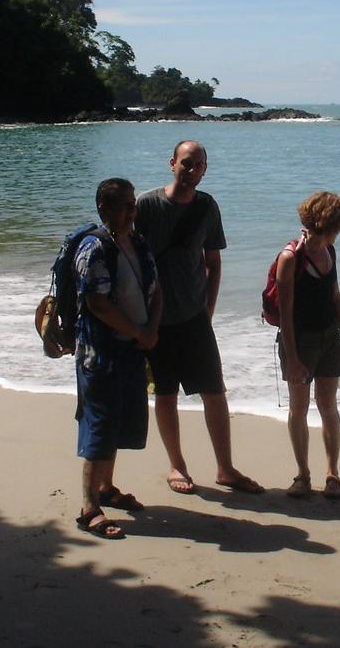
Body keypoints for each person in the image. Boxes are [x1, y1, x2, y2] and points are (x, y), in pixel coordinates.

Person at [135, 140, 263, 495]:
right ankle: (177, 466)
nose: (193, 171)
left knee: (214, 391)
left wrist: (208, 309)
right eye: (187, 163)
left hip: (194, 316)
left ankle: (225, 468)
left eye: (200, 166)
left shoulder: (207, 206)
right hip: (155, 318)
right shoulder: (146, 205)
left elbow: (214, 262)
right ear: (172, 162)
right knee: (165, 393)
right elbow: (130, 258)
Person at [74, 178, 162, 540]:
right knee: (100, 426)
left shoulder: (138, 243)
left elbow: (157, 291)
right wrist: (139, 332)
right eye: (124, 205)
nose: (132, 211)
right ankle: (88, 507)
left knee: (120, 421)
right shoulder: (93, 248)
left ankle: (106, 488)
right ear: (103, 208)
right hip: (99, 353)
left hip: (132, 348)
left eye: (133, 204)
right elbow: (97, 303)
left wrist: (151, 330)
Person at [276, 191, 340, 499]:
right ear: (329, 223)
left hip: (330, 337)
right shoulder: (290, 258)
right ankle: (302, 475)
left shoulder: (330, 251)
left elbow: (335, 297)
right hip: (300, 339)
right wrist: (293, 358)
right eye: (339, 224)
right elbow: (285, 315)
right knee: (299, 408)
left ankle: (333, 474)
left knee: (328, 405)